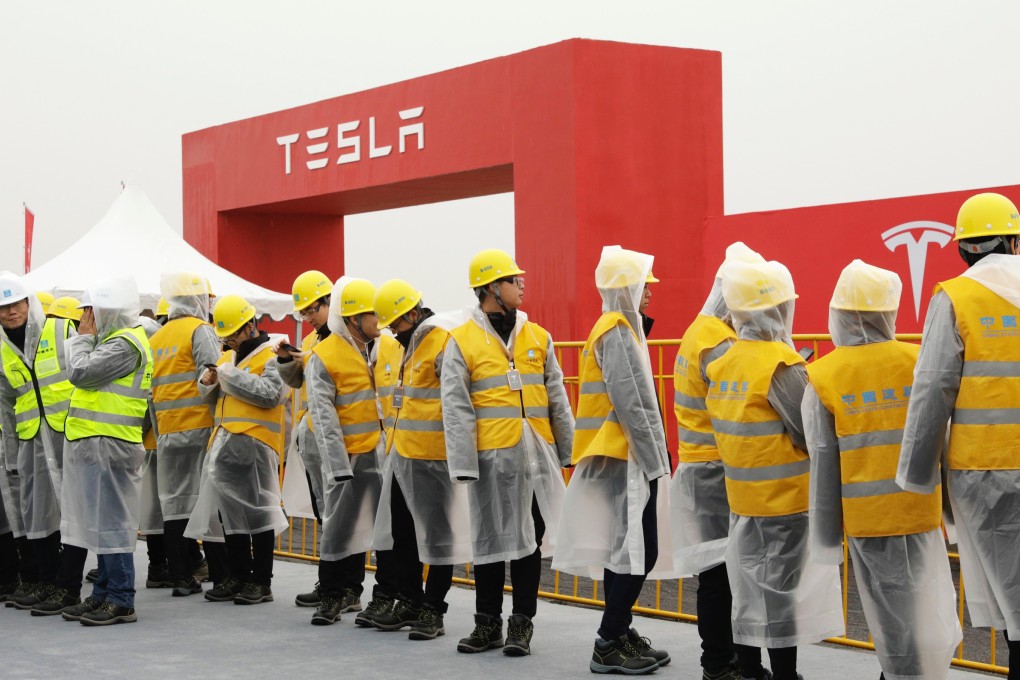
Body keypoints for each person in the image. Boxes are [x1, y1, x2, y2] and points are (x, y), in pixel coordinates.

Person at [804, 259, 961, 680]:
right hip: (920, 512)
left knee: (890, 617)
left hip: (866, 521)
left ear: (841, 314)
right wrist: (954, 515)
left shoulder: (823, 376)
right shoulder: (918, 360)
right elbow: (945, 441)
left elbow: (823, 461)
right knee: (926, 609)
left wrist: (825, 539)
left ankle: (898, 673)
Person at [897, 192, 1020, 680]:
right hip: (989, 472)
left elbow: (932, 388)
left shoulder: (955, 297)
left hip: (985, 473)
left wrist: (916, 474)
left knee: (1010, 593)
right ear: (1014, 241)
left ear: (963, 249)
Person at [705, 259, 842, 680]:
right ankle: (784, 675)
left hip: (743, 500)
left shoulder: (723, 362)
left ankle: (749, 669)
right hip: (784, 502)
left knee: (747, 588)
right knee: (781, 596)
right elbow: (808, 430)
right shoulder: (781, 363)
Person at [442, 248, 574, 656]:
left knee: (528, 542)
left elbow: (557, 397)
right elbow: (456, 406)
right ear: (491, 289)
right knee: (489, 542)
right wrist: (463, 464)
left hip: (535, 460)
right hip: (490, 462)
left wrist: (567, 450)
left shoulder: (538, 337)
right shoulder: (462, 341)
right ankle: (487, 624)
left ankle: (521, 624)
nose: (521, 285)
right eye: (513, 280)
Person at [552, 246, 673, 675]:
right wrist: (658, 460)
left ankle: (618, 632)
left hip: (618, 456)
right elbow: (633, 403)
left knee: (624, 551)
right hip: (624, 457)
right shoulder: (617, 330)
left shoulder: (620, 327)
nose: (650, 293)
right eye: (644, 286)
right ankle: (608, 641)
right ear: (626, 288)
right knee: (639, 551)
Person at [670, 242, 765, 680]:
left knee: (718, 575)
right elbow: (745, 403)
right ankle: (726, 665)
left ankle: (728, 664)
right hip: (719, 471)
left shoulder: (699, 331)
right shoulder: (721, 343)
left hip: (700, 468)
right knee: (727, 576)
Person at [370, 279, 471, 640]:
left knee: (438, 537)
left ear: (413, 313)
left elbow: (457, 400)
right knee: (403, 534)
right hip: (402, 456)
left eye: (396, 323)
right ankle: (410, 600)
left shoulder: (442, 341)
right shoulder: (407, 344)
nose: (393, 332)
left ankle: (433, 609)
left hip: (433, 457)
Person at [59, 277, 153, 625]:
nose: (85, 318)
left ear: (107, 311)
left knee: (113, 524)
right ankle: (102, 594)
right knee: (101, 524)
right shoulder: (111, 341)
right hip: (97, 443)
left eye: (89, 311)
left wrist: (81, 339)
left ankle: (121, 598)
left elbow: (80, 372)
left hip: (110, 444)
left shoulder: (126, 344)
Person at [185, 295, 289, 605]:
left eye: (232, 334)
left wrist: (229, 375)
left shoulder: (272, 355)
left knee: (260, 516)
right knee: (232, 517)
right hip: (226, 447)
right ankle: (240, 576)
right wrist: (208, 382)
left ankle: (261, 582)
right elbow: (215, 398)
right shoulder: (228, 357)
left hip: (257, 446)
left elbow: (271, 394)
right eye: (225, 336)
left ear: (250, 326)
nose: (229, 341)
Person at [301, 277, 390, 625]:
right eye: (373, 314)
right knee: (338, 528)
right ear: (354, 318)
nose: (380, 320)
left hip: (383, 456)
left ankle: (369, 594)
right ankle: (331, 595)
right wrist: (337, 467)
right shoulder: (325, 356)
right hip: (348, 460)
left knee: (385, 530)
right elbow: (324, 418)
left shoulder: (384, 349)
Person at [0, 272, 75, 612]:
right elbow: (6, 406)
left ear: (28, 302)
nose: (10, 312)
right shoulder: (2, 347)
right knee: (37, 513)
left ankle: (69, 587)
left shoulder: (60, 330)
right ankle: (49, 582)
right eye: (3, 308)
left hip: (68, 435)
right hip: (31, 439)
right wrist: (11, 456)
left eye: (15, 304)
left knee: (75, 512)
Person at [149, 273, 222, 598]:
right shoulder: (200, 330)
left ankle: (181, 577)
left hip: (168, 431)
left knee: (174, 505)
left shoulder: (157, 337)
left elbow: (149, 392)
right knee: (210, 501)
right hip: (201, 426)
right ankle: (221, 575)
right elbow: (213, 375)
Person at [277, 269, 333, 608]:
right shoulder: (312, 341)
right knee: (324, 513)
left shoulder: (346, 338)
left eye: (313, 309)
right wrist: (287, 361)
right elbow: (299, 382)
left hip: (339, 438)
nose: (309, 317)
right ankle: (330, 584)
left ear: (329, 301)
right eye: (304, 312)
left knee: (341, 516)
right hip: (313, 435)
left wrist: (309, 359)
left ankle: (343, 587)